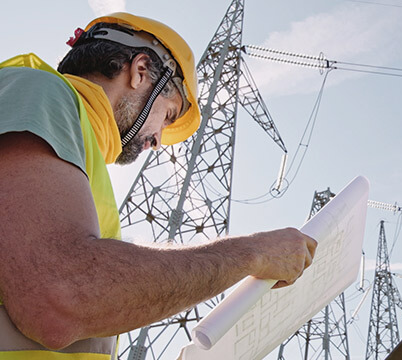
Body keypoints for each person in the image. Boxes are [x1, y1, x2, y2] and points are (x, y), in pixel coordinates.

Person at [0, 13, 317, 359]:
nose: (158, 141)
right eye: (167, 115)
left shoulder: (79, 150)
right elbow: (60, 295)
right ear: (139, 72)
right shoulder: (39, 93)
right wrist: (253, 253)